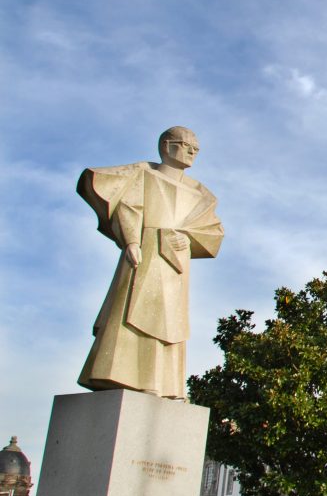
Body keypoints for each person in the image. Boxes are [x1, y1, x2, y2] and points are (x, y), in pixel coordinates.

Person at [77, 126, 223, 400]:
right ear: (167, 146)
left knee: (170, 322)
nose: (192, 151)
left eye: (196, 148)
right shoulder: (144, 174)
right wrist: (132, 240)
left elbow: (213, 231)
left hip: (175, 265)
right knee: (133, 309)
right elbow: (128, 207)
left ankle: (163, 384)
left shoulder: (201, 193)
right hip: (147, 252)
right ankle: (121, 374)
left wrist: (188, 238)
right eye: (186, 145)